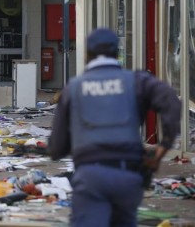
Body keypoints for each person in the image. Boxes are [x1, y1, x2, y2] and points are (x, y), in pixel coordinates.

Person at [47, 28, 181, 227]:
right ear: (116, 52)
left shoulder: (73, 88)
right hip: (128, 176)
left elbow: (56, 148)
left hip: (90, 176)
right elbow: (171, 101)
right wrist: (163, 147)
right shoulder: (136, 81)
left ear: (87, 54)